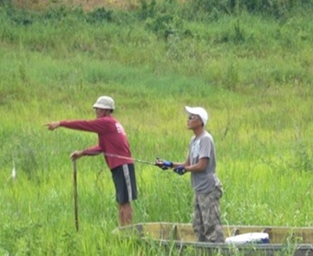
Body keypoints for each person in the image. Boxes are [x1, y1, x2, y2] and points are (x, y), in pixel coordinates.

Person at [46, 96, 137, 226]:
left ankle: (128, 232)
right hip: (117, 166)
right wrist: (82, 153)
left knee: (125, 201)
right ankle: (123, 231)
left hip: (123, 165)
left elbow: (85, 124)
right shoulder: (108, 125)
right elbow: (101, 148)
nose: (96, 111)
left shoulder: (107, 122)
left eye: (98, 109)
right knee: (121, 201)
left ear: (106, 110)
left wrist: (60, 123)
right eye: (96, 109)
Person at [157, 106, 224, 243]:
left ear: (200, 121)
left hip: (208, 189)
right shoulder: (194, 140)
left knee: (211, 226)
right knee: (198, 226)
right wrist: (169, 165)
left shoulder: (206, 139)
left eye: (191, 117)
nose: (188, 120)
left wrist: (186, 170)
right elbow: (187, 163)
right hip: (199, 189)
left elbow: (201, 165)